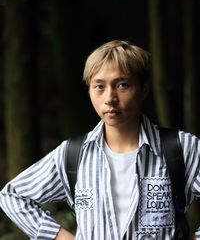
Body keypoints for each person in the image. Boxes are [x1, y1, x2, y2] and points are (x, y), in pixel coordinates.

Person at [0, 39, 200, 240]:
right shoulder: (72, 155)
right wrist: (60, 237)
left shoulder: (181, 148)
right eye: (99, 87)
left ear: (144, 88)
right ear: (89, 90)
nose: (109, 98)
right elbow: (12, 195)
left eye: (122, 85)